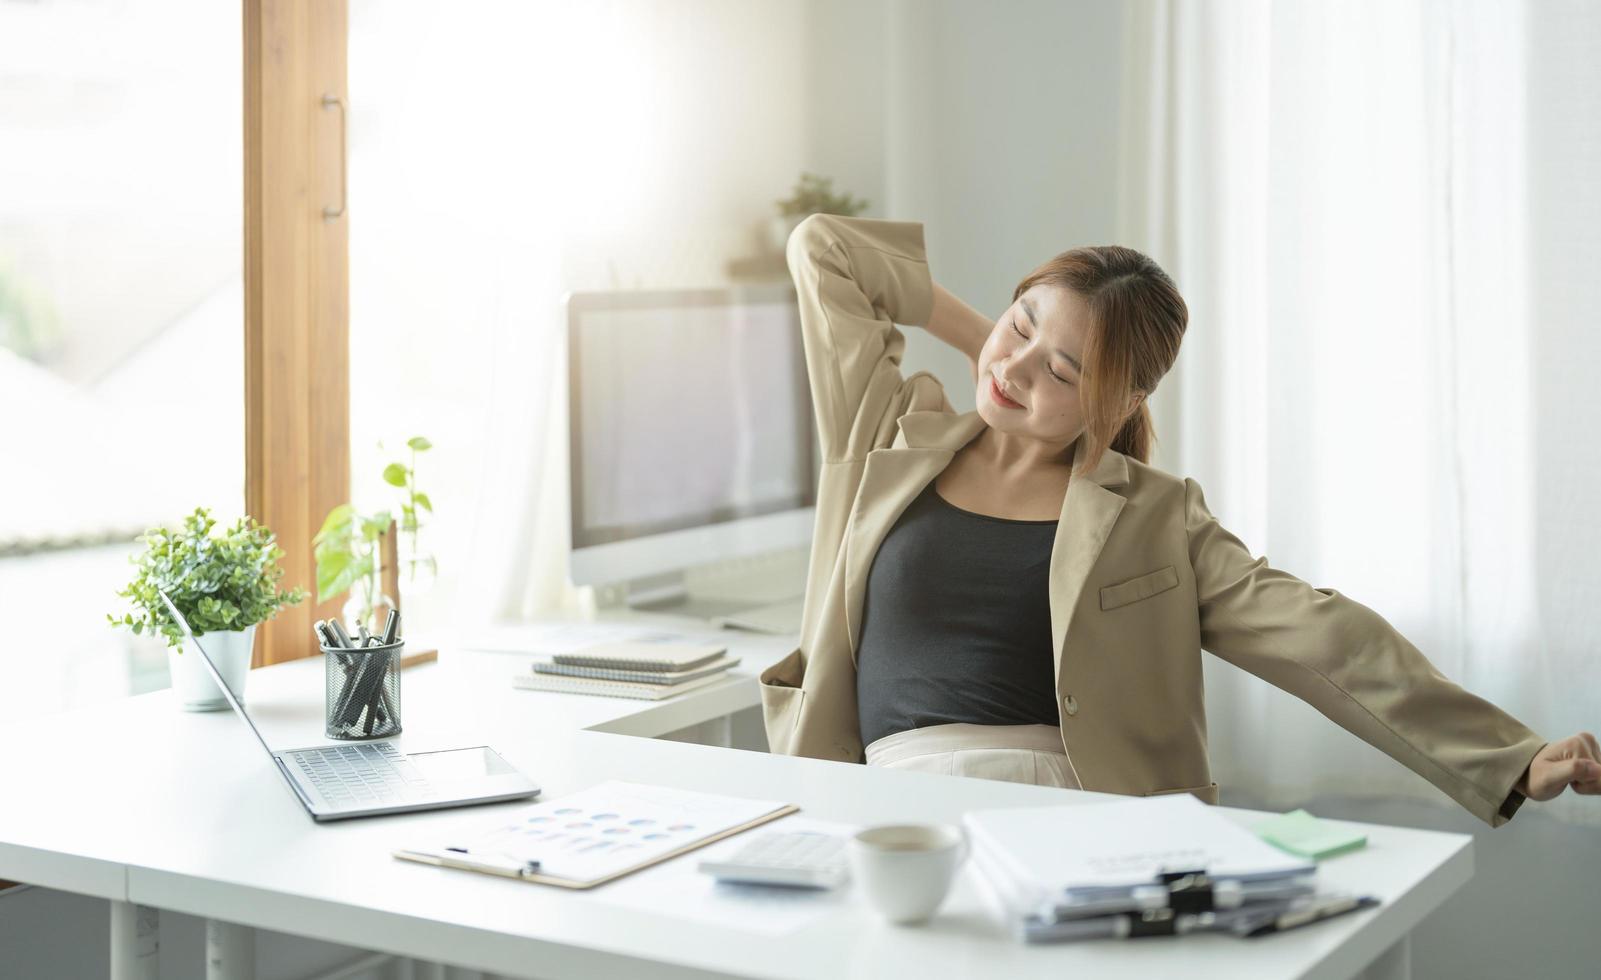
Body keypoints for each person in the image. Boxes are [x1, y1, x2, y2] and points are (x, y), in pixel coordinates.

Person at [757, 212, 1598, 828]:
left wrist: (1512, 753)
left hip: (1071, 816)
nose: (1012, 365)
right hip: (874, 809)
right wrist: (1018, 359)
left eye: (1060, 369)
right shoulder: (886, 435)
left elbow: (1320, 636)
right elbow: (822, 249)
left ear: (1119, 400)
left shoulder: (1153, 514)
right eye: (1017, 325)